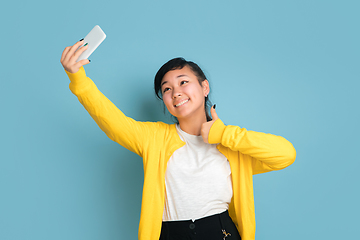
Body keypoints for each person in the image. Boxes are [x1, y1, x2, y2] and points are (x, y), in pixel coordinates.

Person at [61, 40, 296, 240]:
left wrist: (224, 134)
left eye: (183, 82)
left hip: (220, 231)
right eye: (166, 89)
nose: (176, 93)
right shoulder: (154, 138)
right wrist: (78, 79)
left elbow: (286, 154)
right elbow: (112, 122)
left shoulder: (231, 145)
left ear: (204, 87)